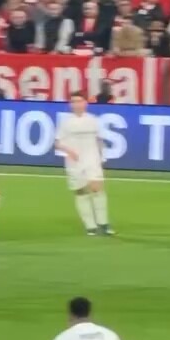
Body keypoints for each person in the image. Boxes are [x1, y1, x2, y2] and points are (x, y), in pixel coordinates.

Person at [55, 92, 112, 237]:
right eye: (73, 101)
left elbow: (99, 140)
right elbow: (57, 143)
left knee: (96, 189)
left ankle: (104, 224)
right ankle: (90, 226)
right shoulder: (66, 122)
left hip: (92, 159)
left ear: (85, 103)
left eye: (79, 101)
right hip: (74, 162)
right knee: (81, 192)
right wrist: (69, 151)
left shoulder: (93, 120)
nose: (76, 104)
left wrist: (102, 157)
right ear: (70, 104)